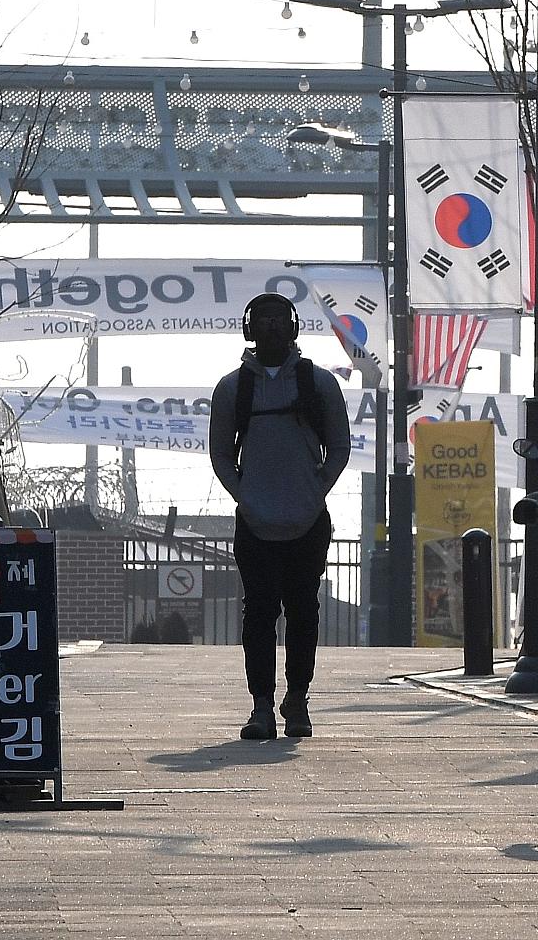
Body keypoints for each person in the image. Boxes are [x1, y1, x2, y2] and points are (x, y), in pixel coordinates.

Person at [209, 292, 351, 741]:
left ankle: (298, 702)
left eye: (278, 320)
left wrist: (314, 492)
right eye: (263, 320)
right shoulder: (233, 388)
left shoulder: (319, 383)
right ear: (250, 328)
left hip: (308, 521)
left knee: (304, 613)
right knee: (259, 615)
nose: (271, 328)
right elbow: (219, 454)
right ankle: (261, 707)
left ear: (292, 327)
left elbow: (340, 448)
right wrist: (246, 497)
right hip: (255, 522)